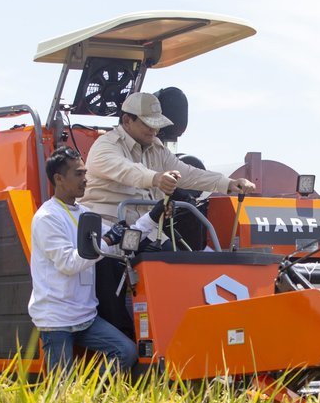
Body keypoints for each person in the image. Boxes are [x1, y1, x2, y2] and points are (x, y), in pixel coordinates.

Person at [29, 146, 138, 375]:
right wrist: (107, 240)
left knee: (126, 352)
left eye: (85, 173)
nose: (85, 179)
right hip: (57, 321)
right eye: (78, 174)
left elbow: (121, 240)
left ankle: (92, 394)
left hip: (86, 317)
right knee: (61, 389)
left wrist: (154, 216)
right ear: (59, 179)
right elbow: (69, 263)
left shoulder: (83, 213)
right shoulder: (47, 218)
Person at [79, 92, 256, 225]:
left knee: (177, 258)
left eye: (157, 125)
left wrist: (228, 183)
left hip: (144, 228)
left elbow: (187, 174)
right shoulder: (105, 146)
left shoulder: (156, 148)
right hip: (106, 227)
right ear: (127, 121)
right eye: (148, 124)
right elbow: (127, 170)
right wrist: (156, 178)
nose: (154, 130)